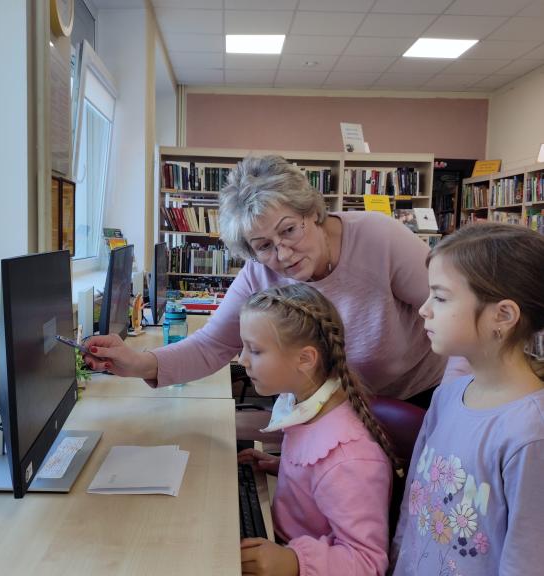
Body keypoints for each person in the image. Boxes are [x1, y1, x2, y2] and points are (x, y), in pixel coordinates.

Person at [85, 155, 464, 405]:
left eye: (289, 231)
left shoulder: (380, 238)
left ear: (313, 213)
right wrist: (138, 362)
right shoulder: (259, 273)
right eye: (263, 245)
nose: (282, 255)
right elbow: (212, 345)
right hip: (338, 404)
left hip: (424, 394)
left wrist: (459, 402)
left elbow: (456, 314)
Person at [391, 223, 544, 575]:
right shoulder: (446, 397)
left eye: (441, 297)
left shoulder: (529, 434)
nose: (424, 310)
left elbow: (526, 561)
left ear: (502, 316)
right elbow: (412, 507)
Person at [237, 283, 397, 576]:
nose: (242, 360)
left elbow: (368, 562)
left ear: (305, 359)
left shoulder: (349, 459)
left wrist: (293, 563)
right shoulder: (307, 403)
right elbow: (319, 477)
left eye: (255, 350)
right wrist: (282, 466)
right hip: (280, 538)